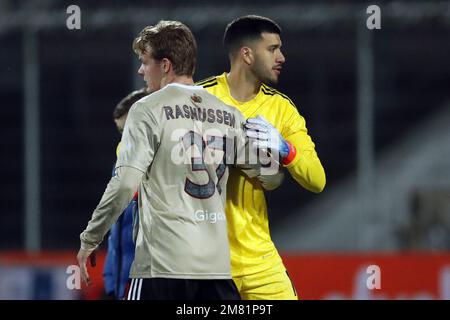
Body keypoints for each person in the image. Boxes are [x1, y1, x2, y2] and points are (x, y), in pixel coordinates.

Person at [77, 20, 265, 300]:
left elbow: (126, 181)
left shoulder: (146, 109)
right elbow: (267, 172)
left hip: (163, 267)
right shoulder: (229, 114)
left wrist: (91, 237)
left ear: (165, 65)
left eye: (144, 62)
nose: (141, 70)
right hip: (215, 271)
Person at [197, 15, 326, 300]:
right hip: (205, 263)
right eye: (273, 49)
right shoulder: (198, 99)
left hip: (259, 260)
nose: (282, 56)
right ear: (246, 54)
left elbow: (317, 180)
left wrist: (286, 149)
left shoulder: (281, 109)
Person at [103, 88, 149, 300]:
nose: (124, 137)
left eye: (127, 129)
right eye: (121, 132)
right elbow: (117, 228)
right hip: (120, 283)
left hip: (143, 280)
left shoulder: (156, 164)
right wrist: (110, 278)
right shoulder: (121, 161)